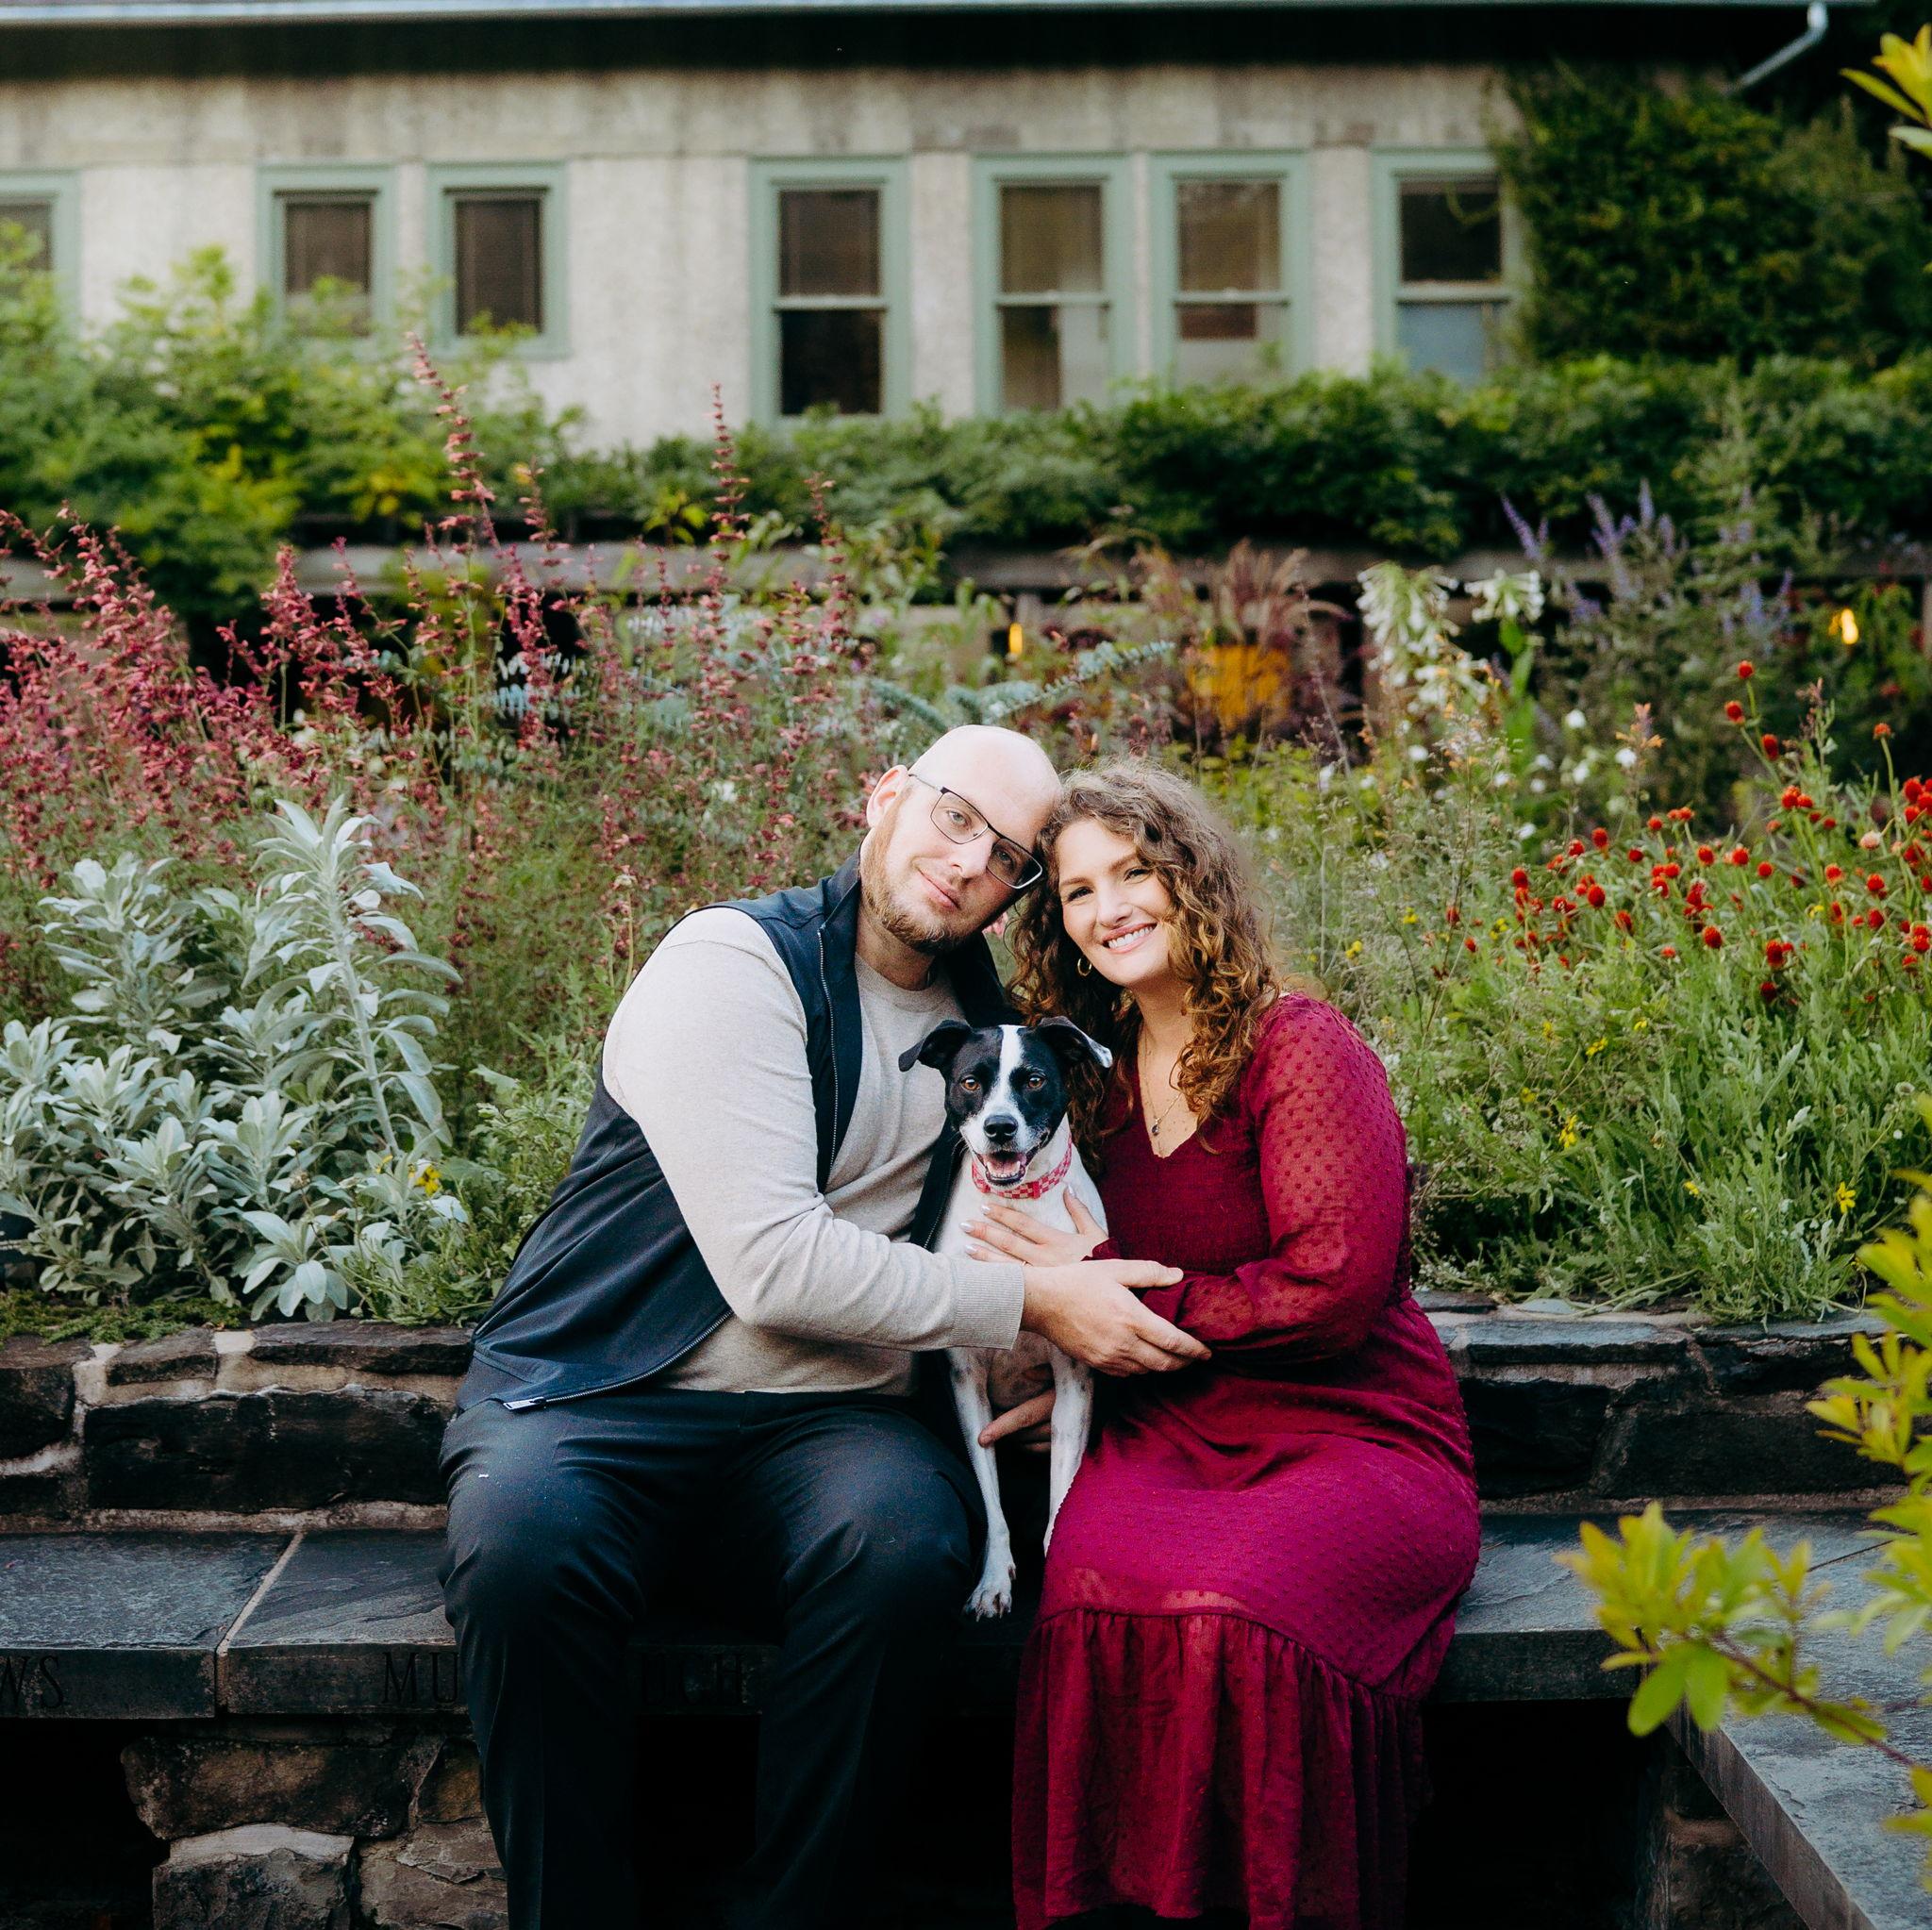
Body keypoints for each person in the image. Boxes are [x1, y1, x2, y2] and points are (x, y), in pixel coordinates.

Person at [437, 724, 1208, 1930]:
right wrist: (1031, 1304)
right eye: (953, 815)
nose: (969, 861)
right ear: (886, 793)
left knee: (903, 1551)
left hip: (829, 1423)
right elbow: (772, 1265)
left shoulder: (987, 1029)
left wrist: (1064, 1334)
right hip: (599, 1393)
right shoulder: (732, 964)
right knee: (520, 1559)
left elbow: (1063, 1199)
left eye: (1008, 857)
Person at [965, 760, 1481, 1930]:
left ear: (1190, 879)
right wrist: (1074, 1360)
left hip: (1353, 1433)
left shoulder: (1297, 1047)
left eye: (1133, 872)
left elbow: (1330, 1290)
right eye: (1077, 890)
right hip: (1166, 1429)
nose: (1109, 908)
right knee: (1083, 1593)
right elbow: (1051, 1261)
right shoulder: (1082, 1077)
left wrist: (1117, 1311)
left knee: (1234, 1607)